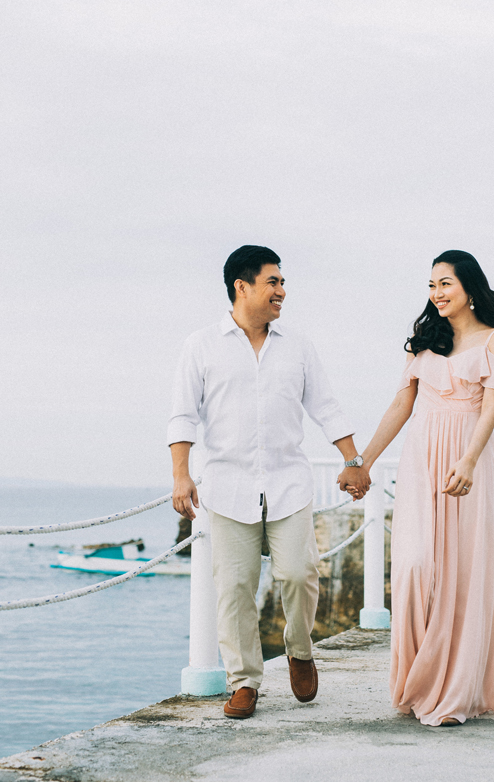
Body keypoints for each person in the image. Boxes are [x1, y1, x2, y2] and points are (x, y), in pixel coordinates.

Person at [169, 245, 369, 719]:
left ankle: (300, 650)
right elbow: (183, 414)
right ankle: (244, 683)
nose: (282, 290)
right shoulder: (200, 345)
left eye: (282, 282)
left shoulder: (298, 346)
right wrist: (181, 474)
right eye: (273, 282)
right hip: (227, 486)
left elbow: (326, 406)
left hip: (287, 483)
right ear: (243, 286)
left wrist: (353, 460)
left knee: (299, 574)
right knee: (234, 587)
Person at [341, 250, 494, 726]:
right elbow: (401, 406)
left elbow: (490, 411)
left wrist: (468, 460)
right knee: (416, 566)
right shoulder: (423, 342)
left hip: (467, 460)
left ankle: (455, 689)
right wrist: (362, 462)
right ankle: (418, 681)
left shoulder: (493, 341)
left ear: (469, 288)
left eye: (446, 284)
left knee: (462, 572)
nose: (437, 294)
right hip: (421, 459)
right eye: (432, 285)